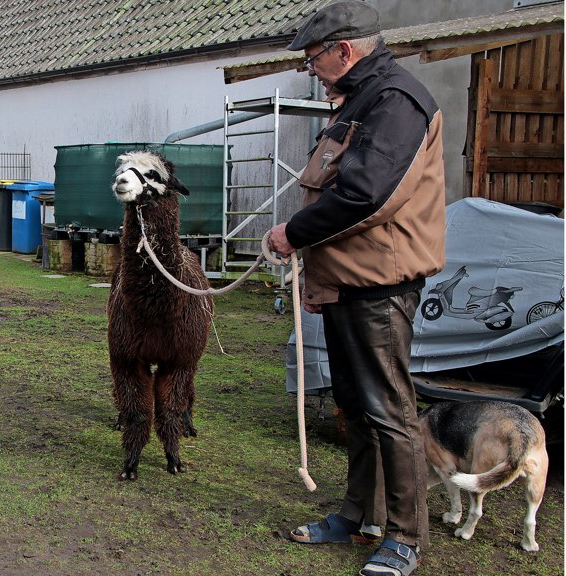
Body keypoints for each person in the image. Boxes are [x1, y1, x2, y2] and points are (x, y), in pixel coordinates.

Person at [266, 2, 446, 576]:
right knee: (354, 405)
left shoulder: (397, 102)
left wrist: (292, 233)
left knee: (390, 409)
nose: (311, 70)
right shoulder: (359, 101)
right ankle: (357, 515)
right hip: (344, 281)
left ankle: (405, 537)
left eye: (314, 59)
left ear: (345, 50)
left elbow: (368, 193)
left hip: (379, 286)